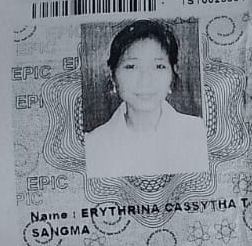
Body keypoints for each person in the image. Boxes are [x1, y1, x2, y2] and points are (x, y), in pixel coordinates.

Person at [84, 20, 209, 177]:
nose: (145, 80)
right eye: (131, 66)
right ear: (113, 76)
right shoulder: (92, 145)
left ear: (172, 74)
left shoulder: (199, 133)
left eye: (158, 66)